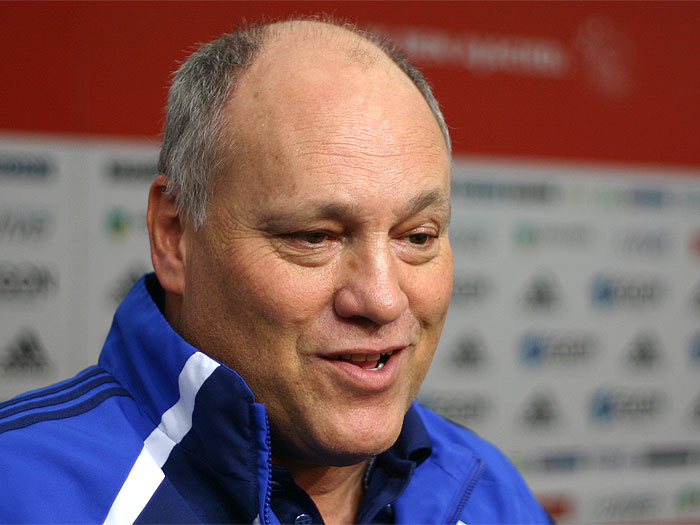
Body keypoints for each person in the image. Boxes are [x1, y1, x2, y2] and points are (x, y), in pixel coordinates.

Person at [0, 18, 551, 524]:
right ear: (174, 236)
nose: (383, 299)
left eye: (418, 236)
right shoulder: (20, 491)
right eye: (314, 237)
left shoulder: (490, 491)